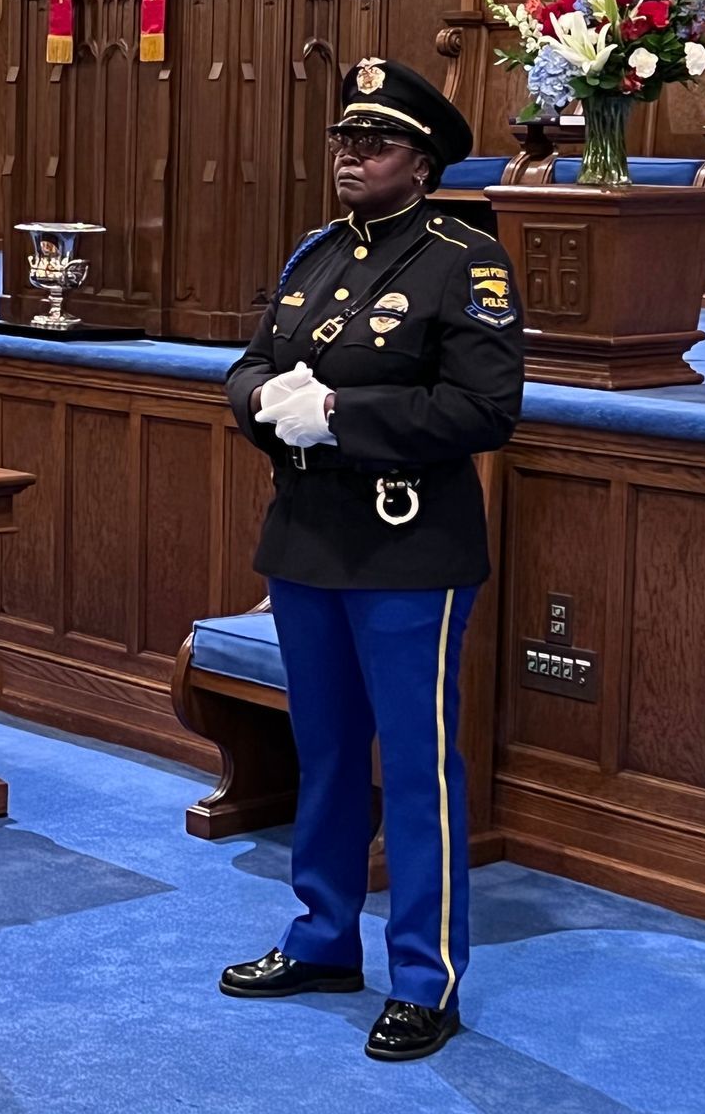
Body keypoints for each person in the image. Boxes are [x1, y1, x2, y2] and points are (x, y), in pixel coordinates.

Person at [217, 57, 524, 1062]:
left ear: (423, 164)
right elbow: (251, 358)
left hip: (408, 548)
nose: (351, 157)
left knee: (420, 767)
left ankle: (426, 975)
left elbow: (485, 411)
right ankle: (321, 937)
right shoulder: (315, 252)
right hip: (308, 533)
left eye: (374, 143)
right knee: (328, 751)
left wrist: (342, 413)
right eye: (343, 140)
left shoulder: (463, 260)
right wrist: (263, 402)